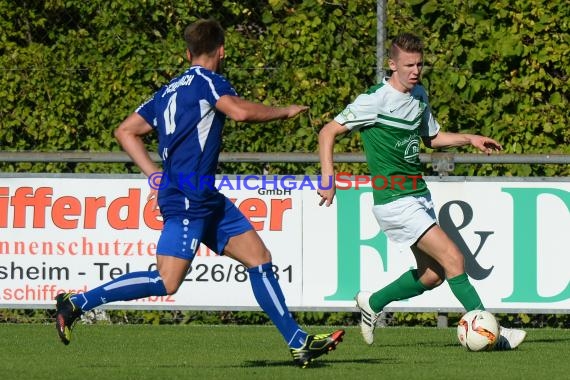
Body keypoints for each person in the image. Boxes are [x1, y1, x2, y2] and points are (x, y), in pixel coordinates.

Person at [55, 18, 344, 368]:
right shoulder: (209, 80)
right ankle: (78, 303)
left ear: (187, 52)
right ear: (221, 51)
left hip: (202, 195)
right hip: (190, 197)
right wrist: (284, 111)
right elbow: (237, 112)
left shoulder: (168, 90)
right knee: (168, 280)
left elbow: (125, 131)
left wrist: (155, 175)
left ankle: (298, 341)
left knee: (259, 258)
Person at [317, 32, 526, 350]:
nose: (415, 70)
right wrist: (328, 178)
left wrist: (470, 138)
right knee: (455, 258)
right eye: (409, 64)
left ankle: (372, 302)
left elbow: (433, 137)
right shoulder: (374, 100)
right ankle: (493, 334)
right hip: (393, 199)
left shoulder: (420, 96)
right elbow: (327, 131)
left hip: (417, 195)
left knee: (432, 275)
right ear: (392, 65)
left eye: (420, 64)